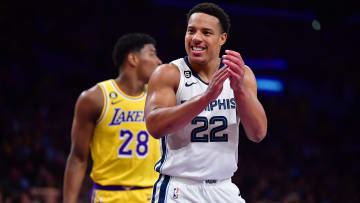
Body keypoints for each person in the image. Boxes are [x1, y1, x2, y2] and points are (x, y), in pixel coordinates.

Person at [144, 3, 267, 203]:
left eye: (206, 32)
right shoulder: (169, 73)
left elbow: (258, 133)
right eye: (191, 31)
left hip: (223, 187)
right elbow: (155, 126)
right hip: (180, 188)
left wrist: (239, 90)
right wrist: (205, 98)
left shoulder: (241, 75)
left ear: (222, 38)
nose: (196, 38)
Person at [63, 33, 162, 203]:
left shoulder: (160, 97)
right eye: (152, 54)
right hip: (108, 194)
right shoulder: (94, 98)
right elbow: (78, 157)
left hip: (151, 194)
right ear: (133, 58)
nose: (159, 61)